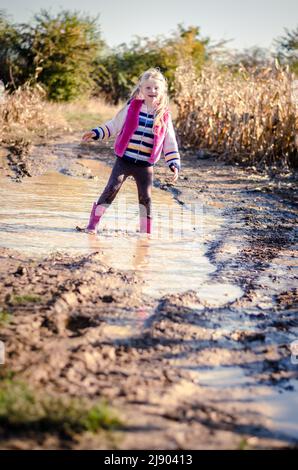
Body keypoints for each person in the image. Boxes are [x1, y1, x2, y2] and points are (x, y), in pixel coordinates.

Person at [80, 67, 181, 234]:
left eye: (156, 88)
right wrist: (96, 133)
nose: (152, 91)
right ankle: (92, 224)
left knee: (145, 198)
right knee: (112, 188)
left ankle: (145, 232)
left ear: (162, 90)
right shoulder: (132, 107)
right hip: (124, 160)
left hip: (145, 165)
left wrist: (173, 163)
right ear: (140, 89)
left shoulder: (163, 115)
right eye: (148, 87)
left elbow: (169, 141)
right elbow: (114, 125)